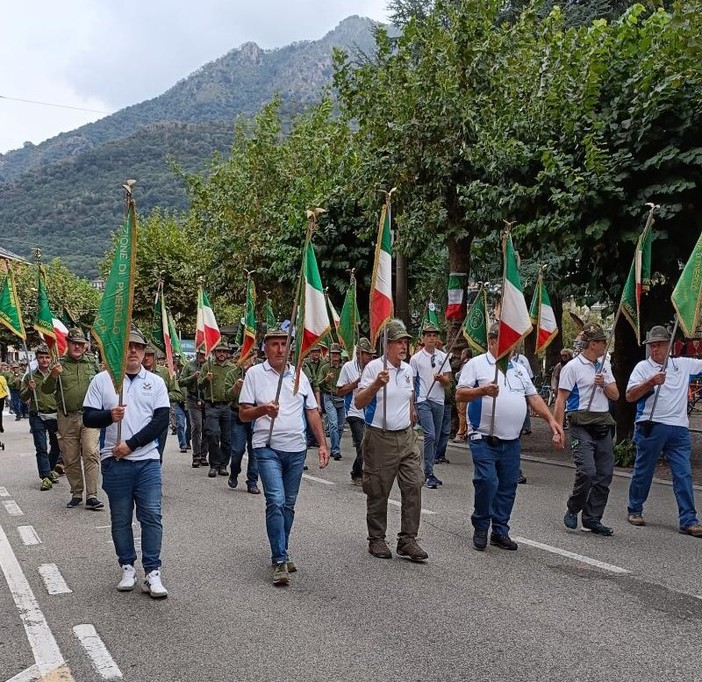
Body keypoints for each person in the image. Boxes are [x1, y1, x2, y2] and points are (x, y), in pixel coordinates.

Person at [457, 324, 564, 551]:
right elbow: (460, 393)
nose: (512, 346)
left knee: (507, 486)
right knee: (487, 481)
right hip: (483, 437)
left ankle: (500, 530)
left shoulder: (519, 369)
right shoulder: (476, 365)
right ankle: (481, 525)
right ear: (492, 341)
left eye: (514, 342)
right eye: (507, 341)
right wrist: (482, 391)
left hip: (511, 440)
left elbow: (533, 397)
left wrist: (551, 420)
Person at [83, 328, 170, 597]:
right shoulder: (102, 380)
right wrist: (110, 415)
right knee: (121, 519)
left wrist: (131, 445)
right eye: (127, 346)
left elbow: (160, 421)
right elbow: (88, 418)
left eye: (138, 347)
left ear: (144, 353)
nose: (133, 351)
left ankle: (152, 572)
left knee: (152, 516)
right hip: (115, 462)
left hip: (146, 461)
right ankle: (127, 566)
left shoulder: (155, 382)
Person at [239, 326, 329, 586]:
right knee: (276, 501)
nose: (280, 349)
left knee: (288, 504)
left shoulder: (300, 375)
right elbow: (243, 413)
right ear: (265, 348)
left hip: (296, 449)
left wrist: (322, 444)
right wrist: (263, 410)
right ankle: (279, 558)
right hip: (267, 448)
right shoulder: (254, 374)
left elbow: (312, 411)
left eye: (284, 344)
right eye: (274, 344)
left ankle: (282, 548)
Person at [355, 319, 428, 562]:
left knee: (414, 484)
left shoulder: (407, 370)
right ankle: (376, 538)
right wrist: (377, 383)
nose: (403, 346)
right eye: (398, 341)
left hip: (406, 436)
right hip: (380, 436)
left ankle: (408, 539)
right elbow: (359, 402)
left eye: (405, 341)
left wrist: (410, 413)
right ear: (387, 345)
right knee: (378, 489)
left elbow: (408, 395)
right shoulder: (374, 368)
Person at [625, 325, 702, 536]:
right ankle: (635, 508)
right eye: (652, 346)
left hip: (679, 428)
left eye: (659, 345)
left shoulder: (683, 364)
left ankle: (689, 519)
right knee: (644, 470)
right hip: (651, 425)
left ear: (669, 346)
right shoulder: (642, 367)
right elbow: (630, 396)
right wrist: (650, 383)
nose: (655, 349)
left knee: (683, 474)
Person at [554, 323, 619, 536]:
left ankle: (592, 519)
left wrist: (603, 385)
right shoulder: (572, 367)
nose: (605, 345)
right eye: (602, 342)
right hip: (581, 424)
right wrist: (557, 429)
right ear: (593, 344)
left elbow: (616, 395)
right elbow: (561, 400)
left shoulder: (604, 366)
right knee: (588, 471)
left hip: (602, 424)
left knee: (604, 474)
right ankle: (574, 507)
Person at [41, 327, 103, 510]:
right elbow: (45, 390)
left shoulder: (92, 364)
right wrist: (53, 376)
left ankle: (92, 495)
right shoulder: (58, 364)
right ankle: (77, 492)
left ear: (85, 346)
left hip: (89, 416)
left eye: (80, 344)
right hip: (66, 417)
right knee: (70, 458)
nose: (77, 346)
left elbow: (101, 385)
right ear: (67, 344)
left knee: (91, 452)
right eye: (73, 343)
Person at [409, 323, 452, 490]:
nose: (432, 338)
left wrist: (441, 379)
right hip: (423, 400)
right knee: (430, 435)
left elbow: (448, 382)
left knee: (438, 436)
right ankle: (427, 473)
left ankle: (430, 470)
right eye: (428, 335)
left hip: (439, 401)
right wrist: (412, 407)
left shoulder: (443, 357)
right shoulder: (416, 359)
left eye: (434, 335)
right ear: (423, 338)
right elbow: (412, 384)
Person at [337, 338, 376, 485]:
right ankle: (359, 474)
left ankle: (357, 471)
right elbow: (339, 391)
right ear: (359, 354)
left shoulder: (374, 367)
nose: (370, 358)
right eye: (367, 354)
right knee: (361, 444)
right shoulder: (348, 367)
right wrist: (354, 384)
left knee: (369, 445)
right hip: (354, 411)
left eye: (372, 355)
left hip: (370, 412)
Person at [21, 345, 60, 491]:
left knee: (57, 446)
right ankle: (44, 477)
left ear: (51, 358)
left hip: (55, 414)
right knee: (41, 446)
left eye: (47, 357)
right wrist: (29, 389)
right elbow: (23, 397)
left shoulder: (56, 374)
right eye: (41, 357)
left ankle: (49, 469)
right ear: (37, 359)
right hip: (37, 414)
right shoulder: (29, 376)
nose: (44, 360)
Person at [225, 352, 260, 494]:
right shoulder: (232, 373)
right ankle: (234, 472)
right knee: (237, 450)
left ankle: (252, 481)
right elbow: (226, 395)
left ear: (255, 358)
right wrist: (235, 388)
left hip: (256, 416)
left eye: (250, 356)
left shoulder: (260, 373)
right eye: (244, 356)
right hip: (237, 415)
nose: (247, 360)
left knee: (255, 450)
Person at [198, 341, 235, 478]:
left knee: (227, 439)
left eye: (224, 351)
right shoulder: (207, 366)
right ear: (214, 353)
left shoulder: (232, 368)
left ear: (227, 354)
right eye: (219, 351)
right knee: (212, 435)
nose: (221, 354)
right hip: (211, 406)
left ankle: (223, 465)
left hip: (227, 406)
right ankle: (214, 465)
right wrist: (206, 380)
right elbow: (199, 386)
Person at [179, 349, 207, 468]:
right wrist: (192, 377)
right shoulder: (189, 365)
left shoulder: (209, 366)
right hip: (193, 399)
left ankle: (204, 455)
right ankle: (196, 455)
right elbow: (180, 382)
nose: (201, 356)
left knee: (207, 429)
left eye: (204, 354)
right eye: (199, 353)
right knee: (197, 427)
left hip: (207, 400)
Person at [318, 343, 345, 461]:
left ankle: (336, 446)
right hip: (329, 397)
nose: (335, 356)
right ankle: (335, 450)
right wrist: (326, 379)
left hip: (341, 398)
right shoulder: (325, 368)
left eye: (337, 354)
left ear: (340, 355)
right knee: (333, 424)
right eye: (333, 354)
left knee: (340, 426)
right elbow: (318, 384)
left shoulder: (344, 368)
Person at [453, 348, 472, 443]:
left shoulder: (467, 364)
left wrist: (456, 374)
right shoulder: (471, 363)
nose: (461, 356)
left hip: (464, 391)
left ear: (466, 354)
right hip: (470, 391)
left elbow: (459, 375)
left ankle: (461, 432)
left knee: (462, 412)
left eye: (462, 353)